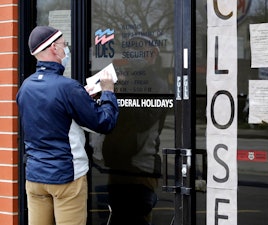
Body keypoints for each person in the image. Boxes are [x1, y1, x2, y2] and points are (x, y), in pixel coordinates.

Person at [16, 25, 119, 225]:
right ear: (54, 48)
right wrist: (107, 92)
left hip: (35, 177)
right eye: (64, 45)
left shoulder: (25, 87)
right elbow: (105, 123)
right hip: (66, 178)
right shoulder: (68, 88)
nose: (66, 50)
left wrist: (82, 98)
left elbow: (50, 115)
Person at [89, 35, 169, 225]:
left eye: (140, 48)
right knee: (117, 217)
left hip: (140, 169)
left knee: (135, 218)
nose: (134, 53)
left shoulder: (157, 84)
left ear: (153, 54)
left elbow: (142, 119)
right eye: (132, 47)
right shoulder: (126, 78)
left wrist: (116, 92)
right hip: (118, 165)